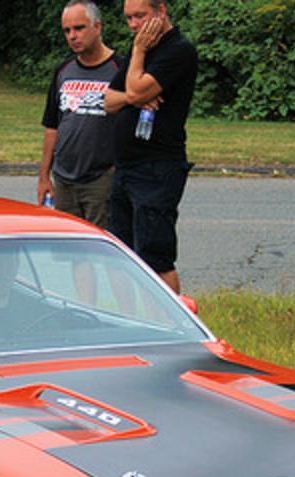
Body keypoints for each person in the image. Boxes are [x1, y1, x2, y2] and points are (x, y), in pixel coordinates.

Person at [103, 0, 197, 294]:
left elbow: (133, 90)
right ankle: (129, 318)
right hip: (126, 167)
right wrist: (133, 95)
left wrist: (139, 56)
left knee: (155, 257)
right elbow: (109, 100)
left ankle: (173, 320)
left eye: (140, 16)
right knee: (122, 255)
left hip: (156, 167)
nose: (134, 25)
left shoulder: (178, 50)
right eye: (129, 18)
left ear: (161, 11)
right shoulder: (138, 50)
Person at [38, 1, 124, 229]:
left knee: (99, 243)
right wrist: (44, 176)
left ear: (97, 27)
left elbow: (133, 123)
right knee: (68, 243)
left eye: (79, 28)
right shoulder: (63, 70)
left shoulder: (120, 68)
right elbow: (51, 126)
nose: (72, 36)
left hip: (101, 180)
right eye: (67, 31)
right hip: (64, 179)